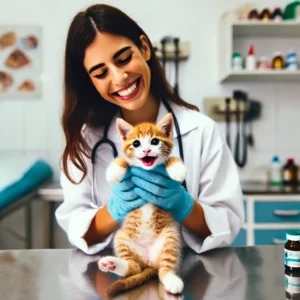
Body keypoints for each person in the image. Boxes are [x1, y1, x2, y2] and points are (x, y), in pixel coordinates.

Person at [55, 4, 244, 255]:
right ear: (90, 81)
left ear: (144, 48)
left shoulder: (200, 130)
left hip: (186, 276)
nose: (119, 78)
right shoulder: (86, 141)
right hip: (113, 277)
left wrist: (182, 204)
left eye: (123, 59)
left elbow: (225, 224)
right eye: (101, 73)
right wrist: (114, 210)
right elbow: (77, 228)